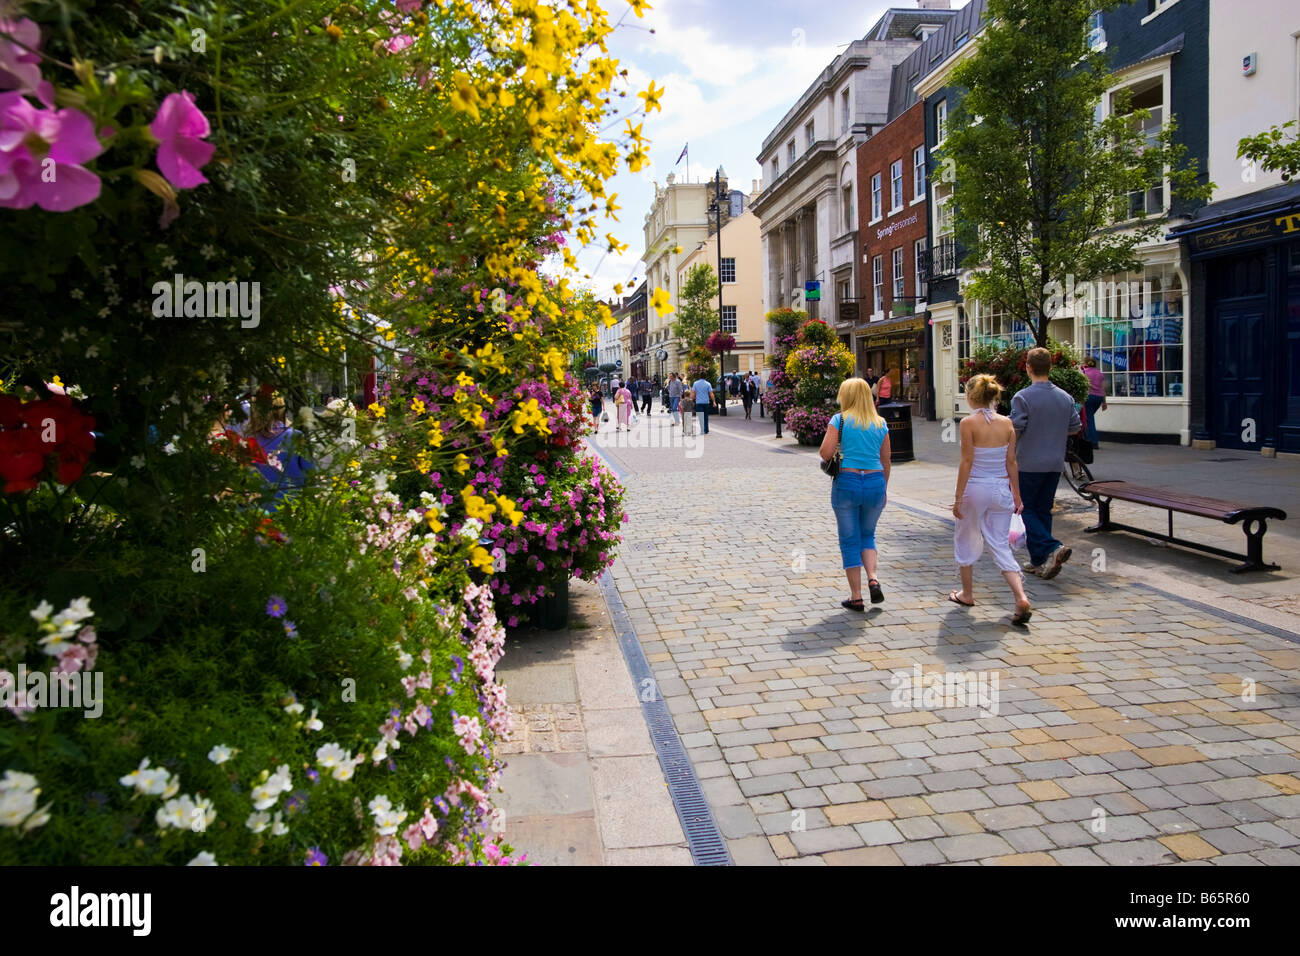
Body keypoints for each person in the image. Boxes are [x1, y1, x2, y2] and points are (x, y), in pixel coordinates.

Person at [950, 374, 1032, 624]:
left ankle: (967, 593)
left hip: (976, 488)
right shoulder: (1007, 423)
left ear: (972, 397)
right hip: (1000, 490)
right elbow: (1012, 462)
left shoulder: (968, 423)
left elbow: (967, 461)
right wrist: (1016, 494)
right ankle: (1020, 596)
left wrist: (958, 497)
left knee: (966, 536)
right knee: (1000, 544)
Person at [819, 377, 891, 612]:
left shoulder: (839, 421)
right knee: (868, 535)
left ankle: (856, 596)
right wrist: (884, 488)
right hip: (875, 482)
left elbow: (825, 453)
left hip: (847, 482)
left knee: (849, 540)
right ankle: (873, 578)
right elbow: (886, 460)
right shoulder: (880, 423)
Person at [1012, 347, 1081, 580]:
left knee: (1024, 510)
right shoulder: (1065, 397)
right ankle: (1039, 560)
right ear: (1051, 367)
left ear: (1028, 367)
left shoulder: (1022, 397)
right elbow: (1075, 427)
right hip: (1054, 463)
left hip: (1028, 462)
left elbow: (1016, 430)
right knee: (1043, 510)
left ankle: (1053, 547)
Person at [1081, 356, 1106, 449]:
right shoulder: (1100, 373)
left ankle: (1093, 441)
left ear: (1086, 363)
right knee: (1089, 417)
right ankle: (1090, 438)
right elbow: (1103, 389)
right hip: (1098, 398)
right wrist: (1104, 402)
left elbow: (1084, 387)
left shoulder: (1085, 373)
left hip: (1089, 397)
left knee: (1089, 419)